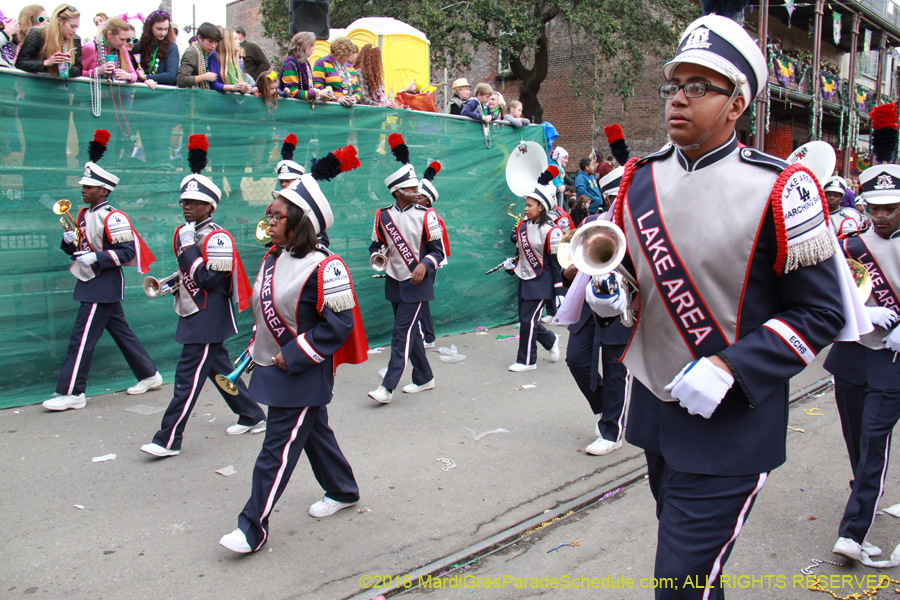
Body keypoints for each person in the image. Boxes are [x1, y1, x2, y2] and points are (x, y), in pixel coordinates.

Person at [582, 15, 845, 597]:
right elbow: (635, 276)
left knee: (677, 584)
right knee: (695, 579)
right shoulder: (638, 179)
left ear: (737, 103)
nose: (679, 98)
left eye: (700, 87)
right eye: (674, 85)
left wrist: (731, 364)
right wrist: (611, 291)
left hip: (732, 423)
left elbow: (822, 312)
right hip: (655, 408)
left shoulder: (784, 187)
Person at [218, 145, 367, 554]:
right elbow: (268, 315)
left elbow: (340, 325)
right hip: (276, 366)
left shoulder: (327, 266)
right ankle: (343, 489)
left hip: (303, 372)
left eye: (277, 215)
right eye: (270, 212)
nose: (268, 219)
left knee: (276, 451)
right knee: (315, 432)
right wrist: (257, 347)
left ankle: (252, 527)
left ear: (300, 222)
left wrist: (295, 354)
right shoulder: (272, 258)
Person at [141, 134, 266, 458]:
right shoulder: (190, 233)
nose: (187, 206)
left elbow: (211, 280)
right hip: (196, 313)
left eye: (194, 203)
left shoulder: (218, 237)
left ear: (210, 205)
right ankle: (252, 413)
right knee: (217, 369)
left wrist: (185, 252)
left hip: (207, 317)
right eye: (184, 202)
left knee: (186, 379)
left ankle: (168, 439)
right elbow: (192, 273)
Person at [44, 129, 162, 411]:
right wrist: (69, 243)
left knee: (81, 338)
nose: (82, 191)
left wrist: (96, 258)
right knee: (121, 332)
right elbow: (78, 251)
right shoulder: (84, 215)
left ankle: (73, 392)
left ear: (104, 190)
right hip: (91, 281)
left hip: (103, 284)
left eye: (88, 187)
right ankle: (149, 374)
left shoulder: (115, 217)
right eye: (83, 186)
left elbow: (127, 253)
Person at [826, 163, 900, 562]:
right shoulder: (852, 246)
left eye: (891, 208)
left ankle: (852, 533)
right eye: (875, 208)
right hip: (853, 356)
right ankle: (865, 502)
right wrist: (861, 314)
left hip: (892, 361)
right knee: (858, 445)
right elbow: (828, 296)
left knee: (873, 445)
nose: (882, 216)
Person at [367, 134, 447, 404]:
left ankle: (387, 387)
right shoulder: (382, 215)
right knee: (409, 334)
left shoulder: (428, 215)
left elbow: (438, 252)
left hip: (417, 283)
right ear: (398, 191)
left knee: (401, 333)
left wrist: (425, 265)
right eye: (412, 188)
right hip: (393, 279)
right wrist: (377, 254)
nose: (418, 191)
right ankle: (424, 377)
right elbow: (375, 244)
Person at [504, 166, 564, 372]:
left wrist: (559, 292)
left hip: (543, 281)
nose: (526, 209)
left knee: (528, 320)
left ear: (542, 207)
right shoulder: (522, 226)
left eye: (530, 205)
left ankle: (527, 360)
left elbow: (557, 264)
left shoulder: (552, 231)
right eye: (526, 205)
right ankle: (550, 340)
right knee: (526, 319)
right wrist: (511, 267)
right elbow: (521, 255)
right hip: (525, 279)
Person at [415, 161, 451, 348]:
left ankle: (426, 336)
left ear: (428, 200)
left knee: (421, 300)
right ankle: (428, 336)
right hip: (423, 262)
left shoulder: (430, 216)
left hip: (427, 263)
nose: (416, 200)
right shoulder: (419, 213)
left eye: (419, 197)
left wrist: (428, 264)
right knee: (422, 301)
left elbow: (437, 248)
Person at [15, 3, 82, 77]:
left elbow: (79, 70)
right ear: (59, 21)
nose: (75, 31)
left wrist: (69, 68)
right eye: (72, 26)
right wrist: (46, 63)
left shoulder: (75, 39)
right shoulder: (38, 34)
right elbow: (20, 63)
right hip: (34, 84)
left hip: (60, 86)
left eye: (77, 27)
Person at [81, 17, 138, 83]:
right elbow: (78, 73)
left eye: (126, 39)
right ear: (110, 34)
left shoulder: (122, 48)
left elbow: (134, 75)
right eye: (121, 39)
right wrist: (97, 71)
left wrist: (128, 76)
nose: (124, 43)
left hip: (114, 92)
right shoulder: (91, 47)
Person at [312, 36, 362, 107]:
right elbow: (318, 87)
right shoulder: (321, 63)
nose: (349, 58)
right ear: (340, 53)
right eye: (347, 55)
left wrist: (355, 98)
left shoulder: (350, 67)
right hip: (329, 110)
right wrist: (337, 98)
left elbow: (358, 88)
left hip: (348, 113)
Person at [135, 10, 179, 86]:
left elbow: (171, 76)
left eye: (166, 29)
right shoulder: (139, 46)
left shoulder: (171, 46)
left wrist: (145, 77)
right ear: (149, 27)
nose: (163, 33)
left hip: (164, 94)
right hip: (142, 93)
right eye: (159, 29)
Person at [279, 31, 323, 101]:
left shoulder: (305, 63)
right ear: (304, 46)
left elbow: (309, 87)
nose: (313, 49)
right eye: (312, 46)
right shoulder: (290, 64)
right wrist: (317, 93)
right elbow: (292, 92)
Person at [210, 27, 255, 95]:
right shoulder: (215, 57)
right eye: (235, 39)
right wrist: (233, 87)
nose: (239, 41)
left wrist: (244, 88)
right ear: (227, 41)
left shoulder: (237, 60)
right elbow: (213, 85)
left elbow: (238, 85)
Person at [175, 21, 220, 89]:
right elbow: (181, 80)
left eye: (215, 42)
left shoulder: (206, 52)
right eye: (210, 41)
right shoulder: (192, 52)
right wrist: (204, 77)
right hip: (190, 97)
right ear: (199, 37)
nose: (213, 45)